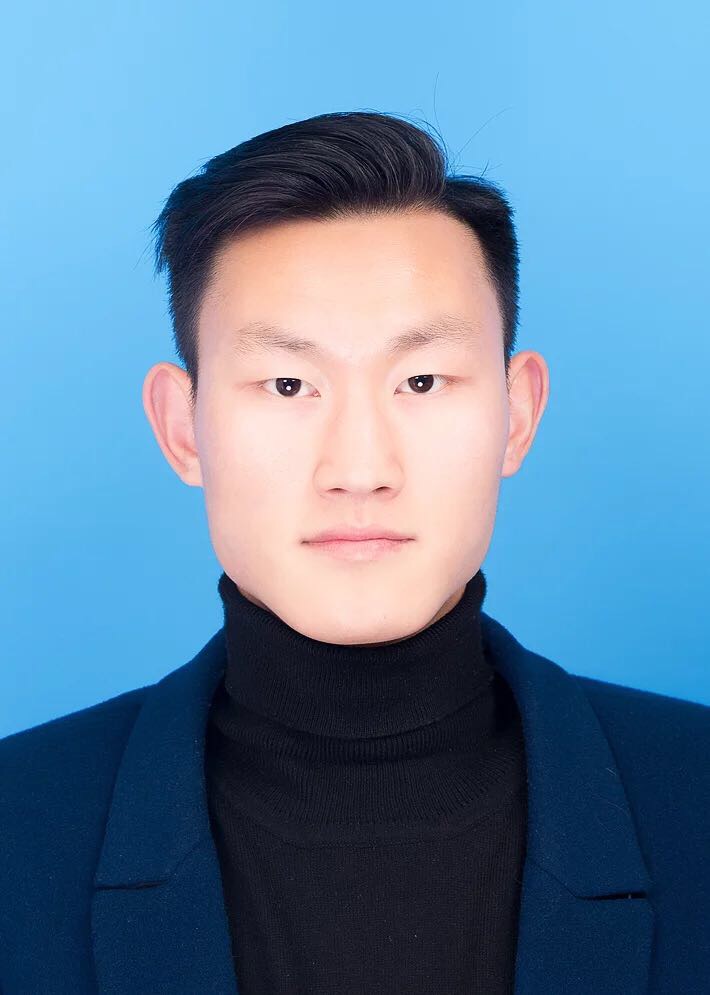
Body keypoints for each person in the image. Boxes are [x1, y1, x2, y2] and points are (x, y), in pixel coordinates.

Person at [1, 111, 708, 995]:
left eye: (421, 380)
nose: (360, 469)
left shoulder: (693, 795)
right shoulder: (19, 827)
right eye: (287, 383)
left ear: (518, 414)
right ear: (182, 427)